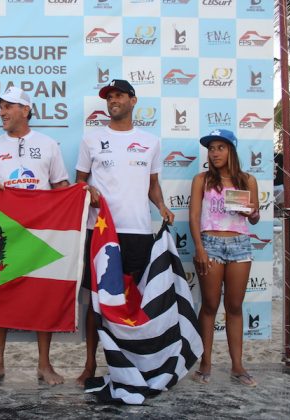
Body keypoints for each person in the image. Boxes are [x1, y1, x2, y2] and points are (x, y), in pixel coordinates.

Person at [74, 79, 174, 386]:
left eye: (119, 96)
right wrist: (87, 189)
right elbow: (79, 183)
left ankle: (132, 364)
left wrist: (162, 206)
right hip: (101, 231)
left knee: (132, 300)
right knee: (95, 301)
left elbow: (152, 184)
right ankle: (90, 364)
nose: (113, 100)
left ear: (133, 100)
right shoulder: (92, 139)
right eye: (109, 97)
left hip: (138, 231)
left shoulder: (150, 141)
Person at [0, 86, 70, 385]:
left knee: (44, 295)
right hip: (1, 235)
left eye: (8, 106)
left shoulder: (49, 144)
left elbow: (61, 185)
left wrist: (79, 195)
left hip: (40, 236)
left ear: (25, 110)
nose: (2, 112)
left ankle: (44, 364)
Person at [189, 129, 260, 387]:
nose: (215, 152)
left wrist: (253, 212)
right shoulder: (201, 180)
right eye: (211, 148)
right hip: (210, 244)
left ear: (231, 150)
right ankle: (205, 363)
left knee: (235, 307)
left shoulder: (247, 180)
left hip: (240, 244)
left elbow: (253, 218)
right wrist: (199, 248)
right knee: (209, 305)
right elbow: (194, 216)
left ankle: (237, 366)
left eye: (220, 147)